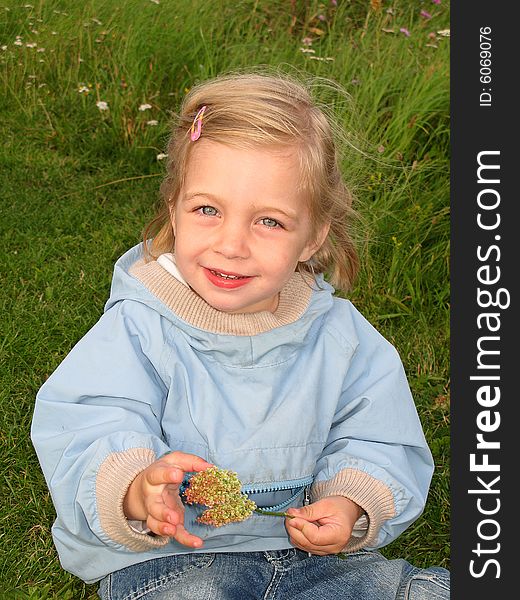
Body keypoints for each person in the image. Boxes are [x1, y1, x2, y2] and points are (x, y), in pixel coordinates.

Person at [31, 71, 450, 599]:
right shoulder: (139, 326)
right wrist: (138, 490)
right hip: (176, 562)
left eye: (269, 222)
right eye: (208, 209)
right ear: (175, 213)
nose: (231, 244)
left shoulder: (341, 337)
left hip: (316, 562)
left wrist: (349, 502)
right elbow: (91, 421)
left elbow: (377, 437)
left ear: (312, 236)